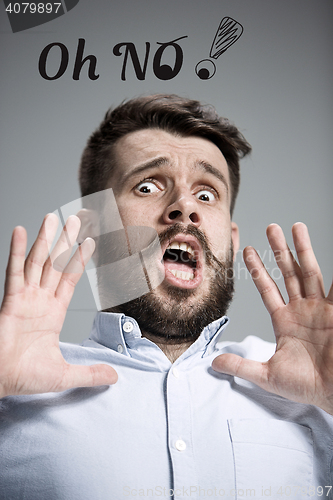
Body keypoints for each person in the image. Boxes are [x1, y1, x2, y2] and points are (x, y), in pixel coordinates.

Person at [0, 95, 332, 499]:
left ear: (229, 241)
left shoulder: (310, 389)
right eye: (147, 185)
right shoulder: (16, 388)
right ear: (92, 232)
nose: (184, 206)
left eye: (207, 194)